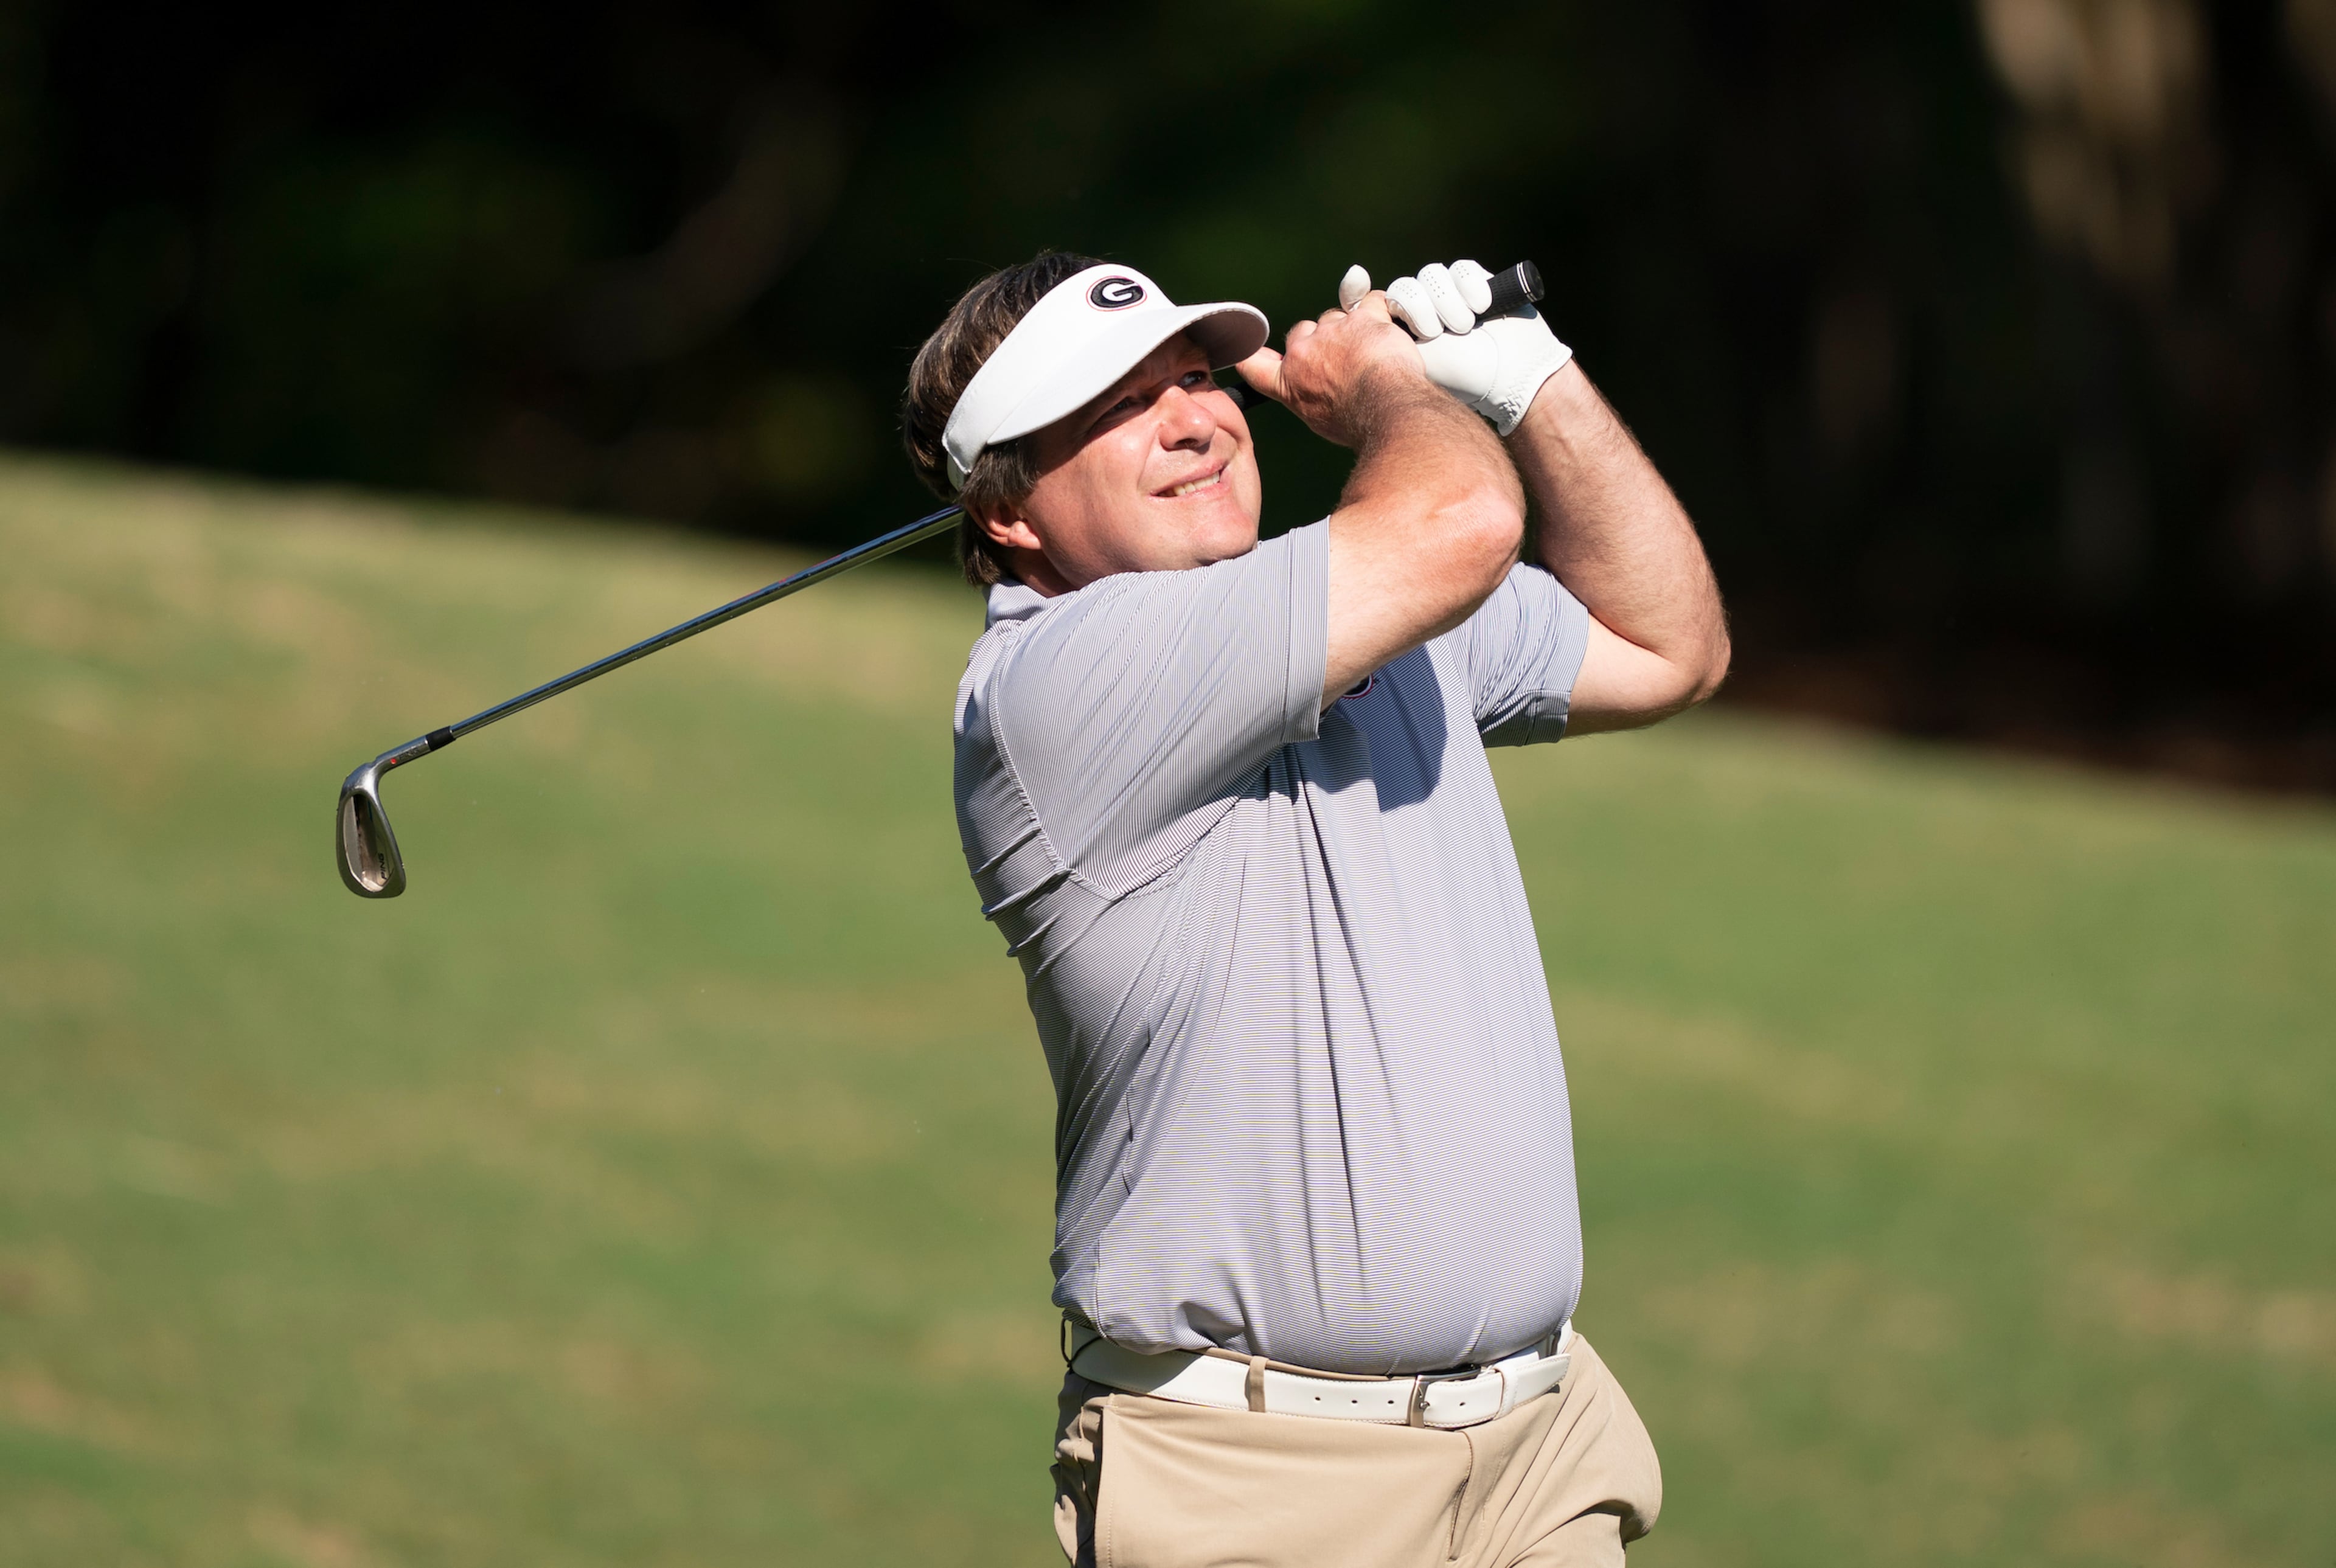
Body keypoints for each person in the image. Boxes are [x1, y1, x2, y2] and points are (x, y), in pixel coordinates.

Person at [898, 250, 1728, 1568]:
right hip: (1267, 1484)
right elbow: (1455, 524)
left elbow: (1670, 643)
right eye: (1114, 407)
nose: (1194, 417)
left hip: (1538, 1456)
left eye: (1195, 375)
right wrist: (1395, 386)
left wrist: (1533, 379)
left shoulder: (1370, 604)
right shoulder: (1053, 686)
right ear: (1009, 513)